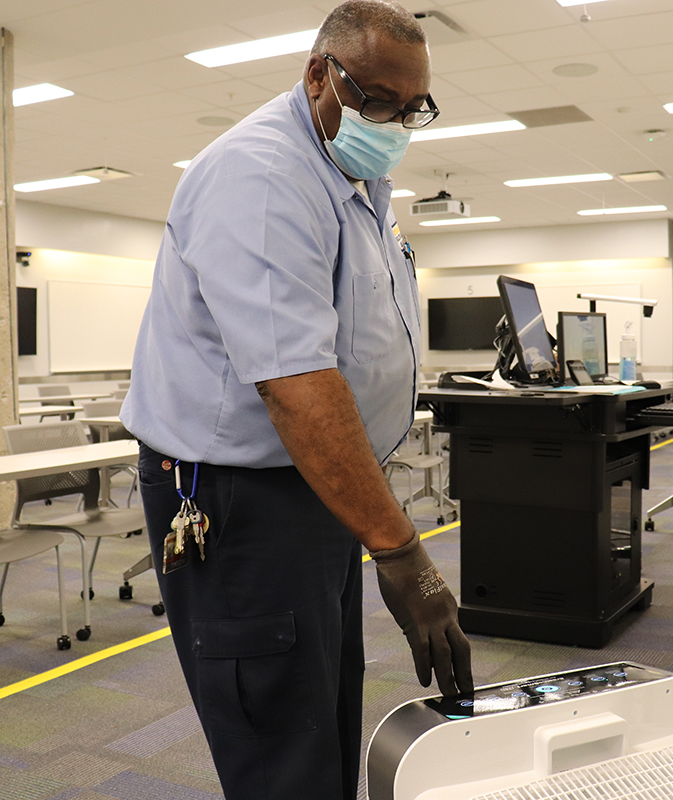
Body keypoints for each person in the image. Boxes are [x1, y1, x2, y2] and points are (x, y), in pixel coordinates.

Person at [119, 1, 472, 797]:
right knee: (283, 741)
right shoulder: (264, 177)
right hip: (244, 498)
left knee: (322, 708)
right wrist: (405, 556)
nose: (395, 123)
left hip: (318, 484)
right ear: (319, 73)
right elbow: (297, 385)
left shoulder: (353, 170)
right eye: (377, 100)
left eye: (413, 108)